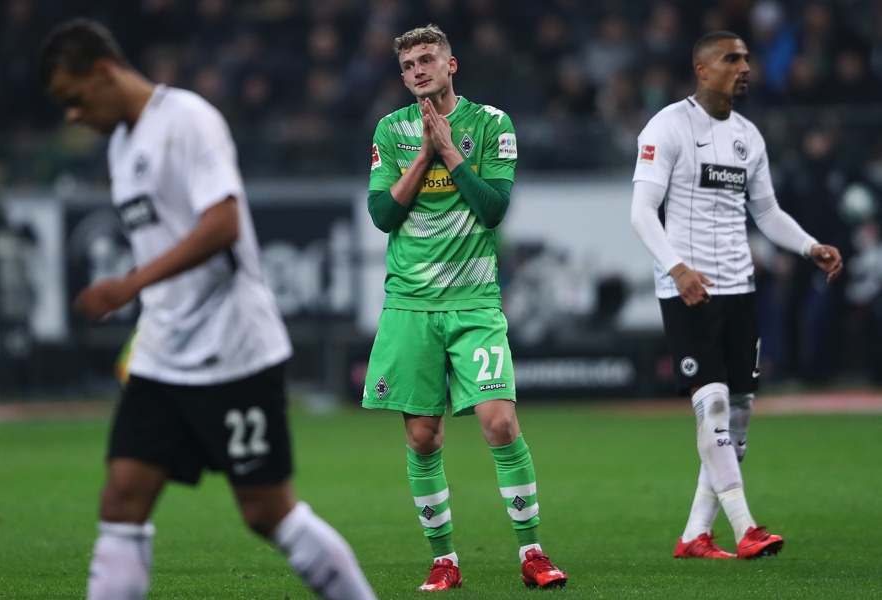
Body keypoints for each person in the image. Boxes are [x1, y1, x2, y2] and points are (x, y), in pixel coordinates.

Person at [36, 19, 376, 600]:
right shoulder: (121, 145)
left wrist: (129, 285)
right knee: (121, 501)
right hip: (162, 355)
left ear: (102, 71)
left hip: (233, 350)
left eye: (74, 99)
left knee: (266, 511)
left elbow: (222, 223)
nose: (73, 116)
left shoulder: (188, 121)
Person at [361, 24, 567, 592]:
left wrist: (447, 150)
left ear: (452, 65)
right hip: (409, 304)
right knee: (423, 437)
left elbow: (494, 208)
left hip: (474, 302)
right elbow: (382, 214)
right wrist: (423, 153)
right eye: (408, 66)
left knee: (500, 424)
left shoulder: (491, 123)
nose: (418, 71)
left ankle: (532, 551)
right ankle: (444, 560)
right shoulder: (391, 130)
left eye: (428, 60)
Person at [630, 31, 843, 560]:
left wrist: (808, 245)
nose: (745, 66)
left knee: (740, 416)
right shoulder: (667, 126)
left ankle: (695, 534)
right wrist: (678, 269)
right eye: (732, 58)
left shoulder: (748, 134)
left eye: (746, 58)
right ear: (703, 70)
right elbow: (640, 211)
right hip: (689, 289)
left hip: (739, 286)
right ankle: (746, 526)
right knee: (716, 404)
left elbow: (766, 212)